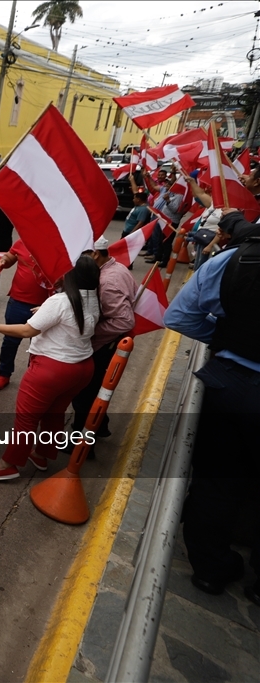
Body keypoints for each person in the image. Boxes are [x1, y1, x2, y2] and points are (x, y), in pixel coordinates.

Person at [164, 212, 259, 605]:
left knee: (216, 481)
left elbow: (178, 315)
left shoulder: (236, 258)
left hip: (230, 384)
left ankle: (209, 568)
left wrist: (226, 339)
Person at [0, 255, 100, 480]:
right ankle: (41, 455)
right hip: (82, 367)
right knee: (55, 413)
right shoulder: (92, 297)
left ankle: (8, 465)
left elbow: (27, 331)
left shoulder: (60, 301)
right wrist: (45, 311)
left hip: (53, 369)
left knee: (26, 418)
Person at [67, 238, 136, 451]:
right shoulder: (117, 268)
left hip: (103, 346)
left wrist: (90, 330)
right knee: (95, 390)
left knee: (84, 395)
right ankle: (101, 425)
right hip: (107, 344)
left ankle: (81, 444)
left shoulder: (107, 281)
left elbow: (124, 320)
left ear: (95, 254)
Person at [0, 240, 53, 389]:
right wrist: (3, 261)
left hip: (44, 305)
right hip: (17, 301)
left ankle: (33, 376)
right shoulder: (23, 241)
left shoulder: (56, 244)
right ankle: (4, 374)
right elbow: (10, 257)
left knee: (38, 344)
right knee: (10, 341)